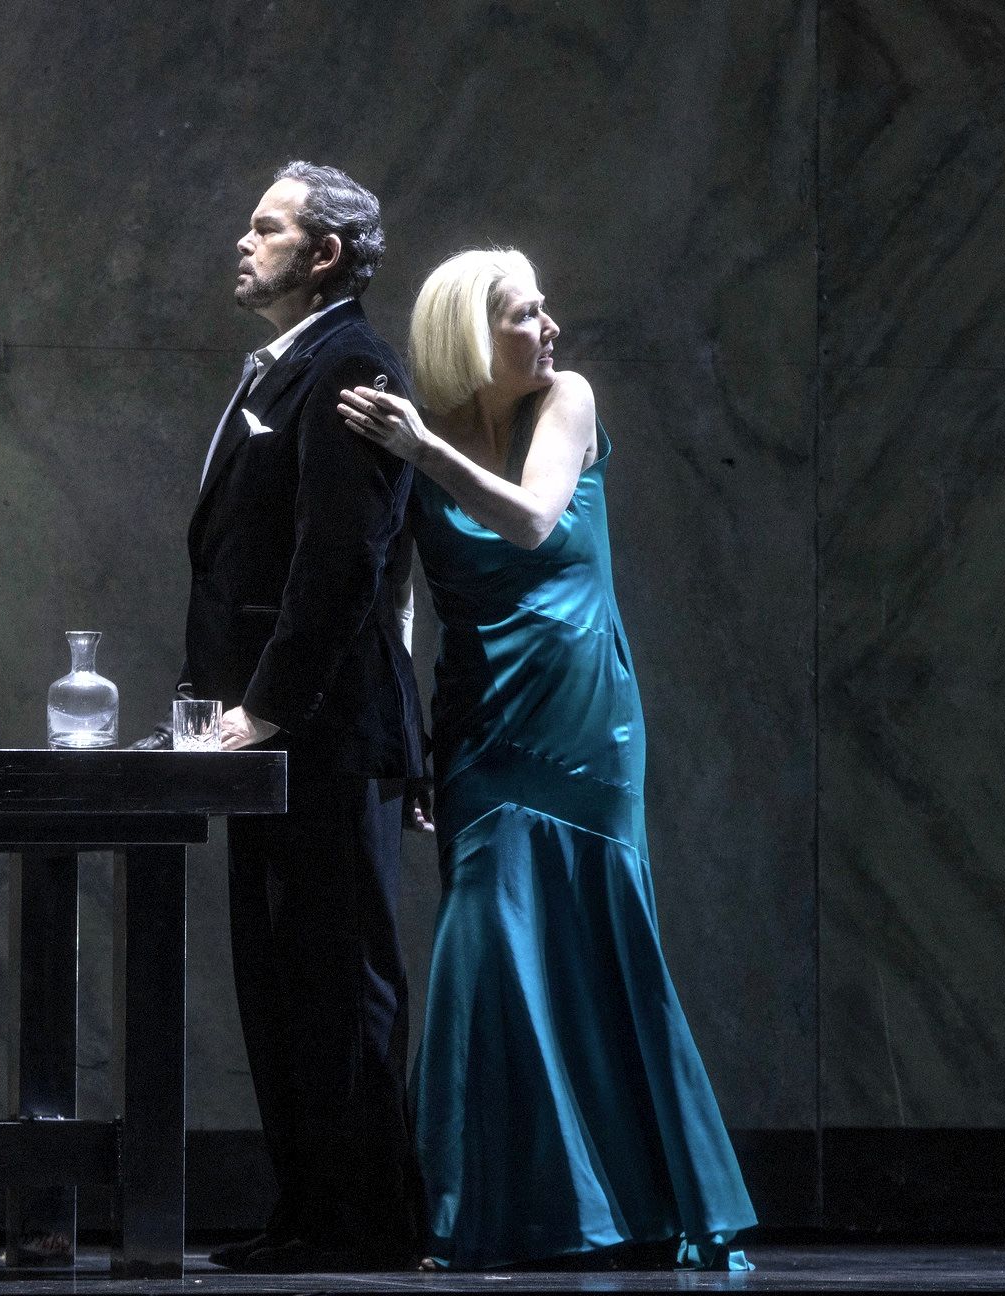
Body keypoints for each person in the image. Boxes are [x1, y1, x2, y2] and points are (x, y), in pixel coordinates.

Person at [338, 248, 757, 1271]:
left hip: (582, 716)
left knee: (595, 937)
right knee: (486, 943)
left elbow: (528, 521)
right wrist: (415, 741)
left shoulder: (563, 400)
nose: (550, 327)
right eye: (525, 315)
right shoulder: (419, 439)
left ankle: (641, 1202)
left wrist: (420, 450)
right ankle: (485, 1205)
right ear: (473, 340)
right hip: (479, 713)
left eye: (540, 309)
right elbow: (404, 610)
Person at [134, 162, 426, 1273]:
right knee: (278, 981)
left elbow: (339, 564)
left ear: (325, 255)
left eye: (267, 226)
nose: (241, 241)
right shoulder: (286, 363)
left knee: (333, 979)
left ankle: (366, 1224)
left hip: (320, 736)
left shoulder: (348, 363)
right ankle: (309, 1212)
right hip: (263, 742)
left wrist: (260, 711)